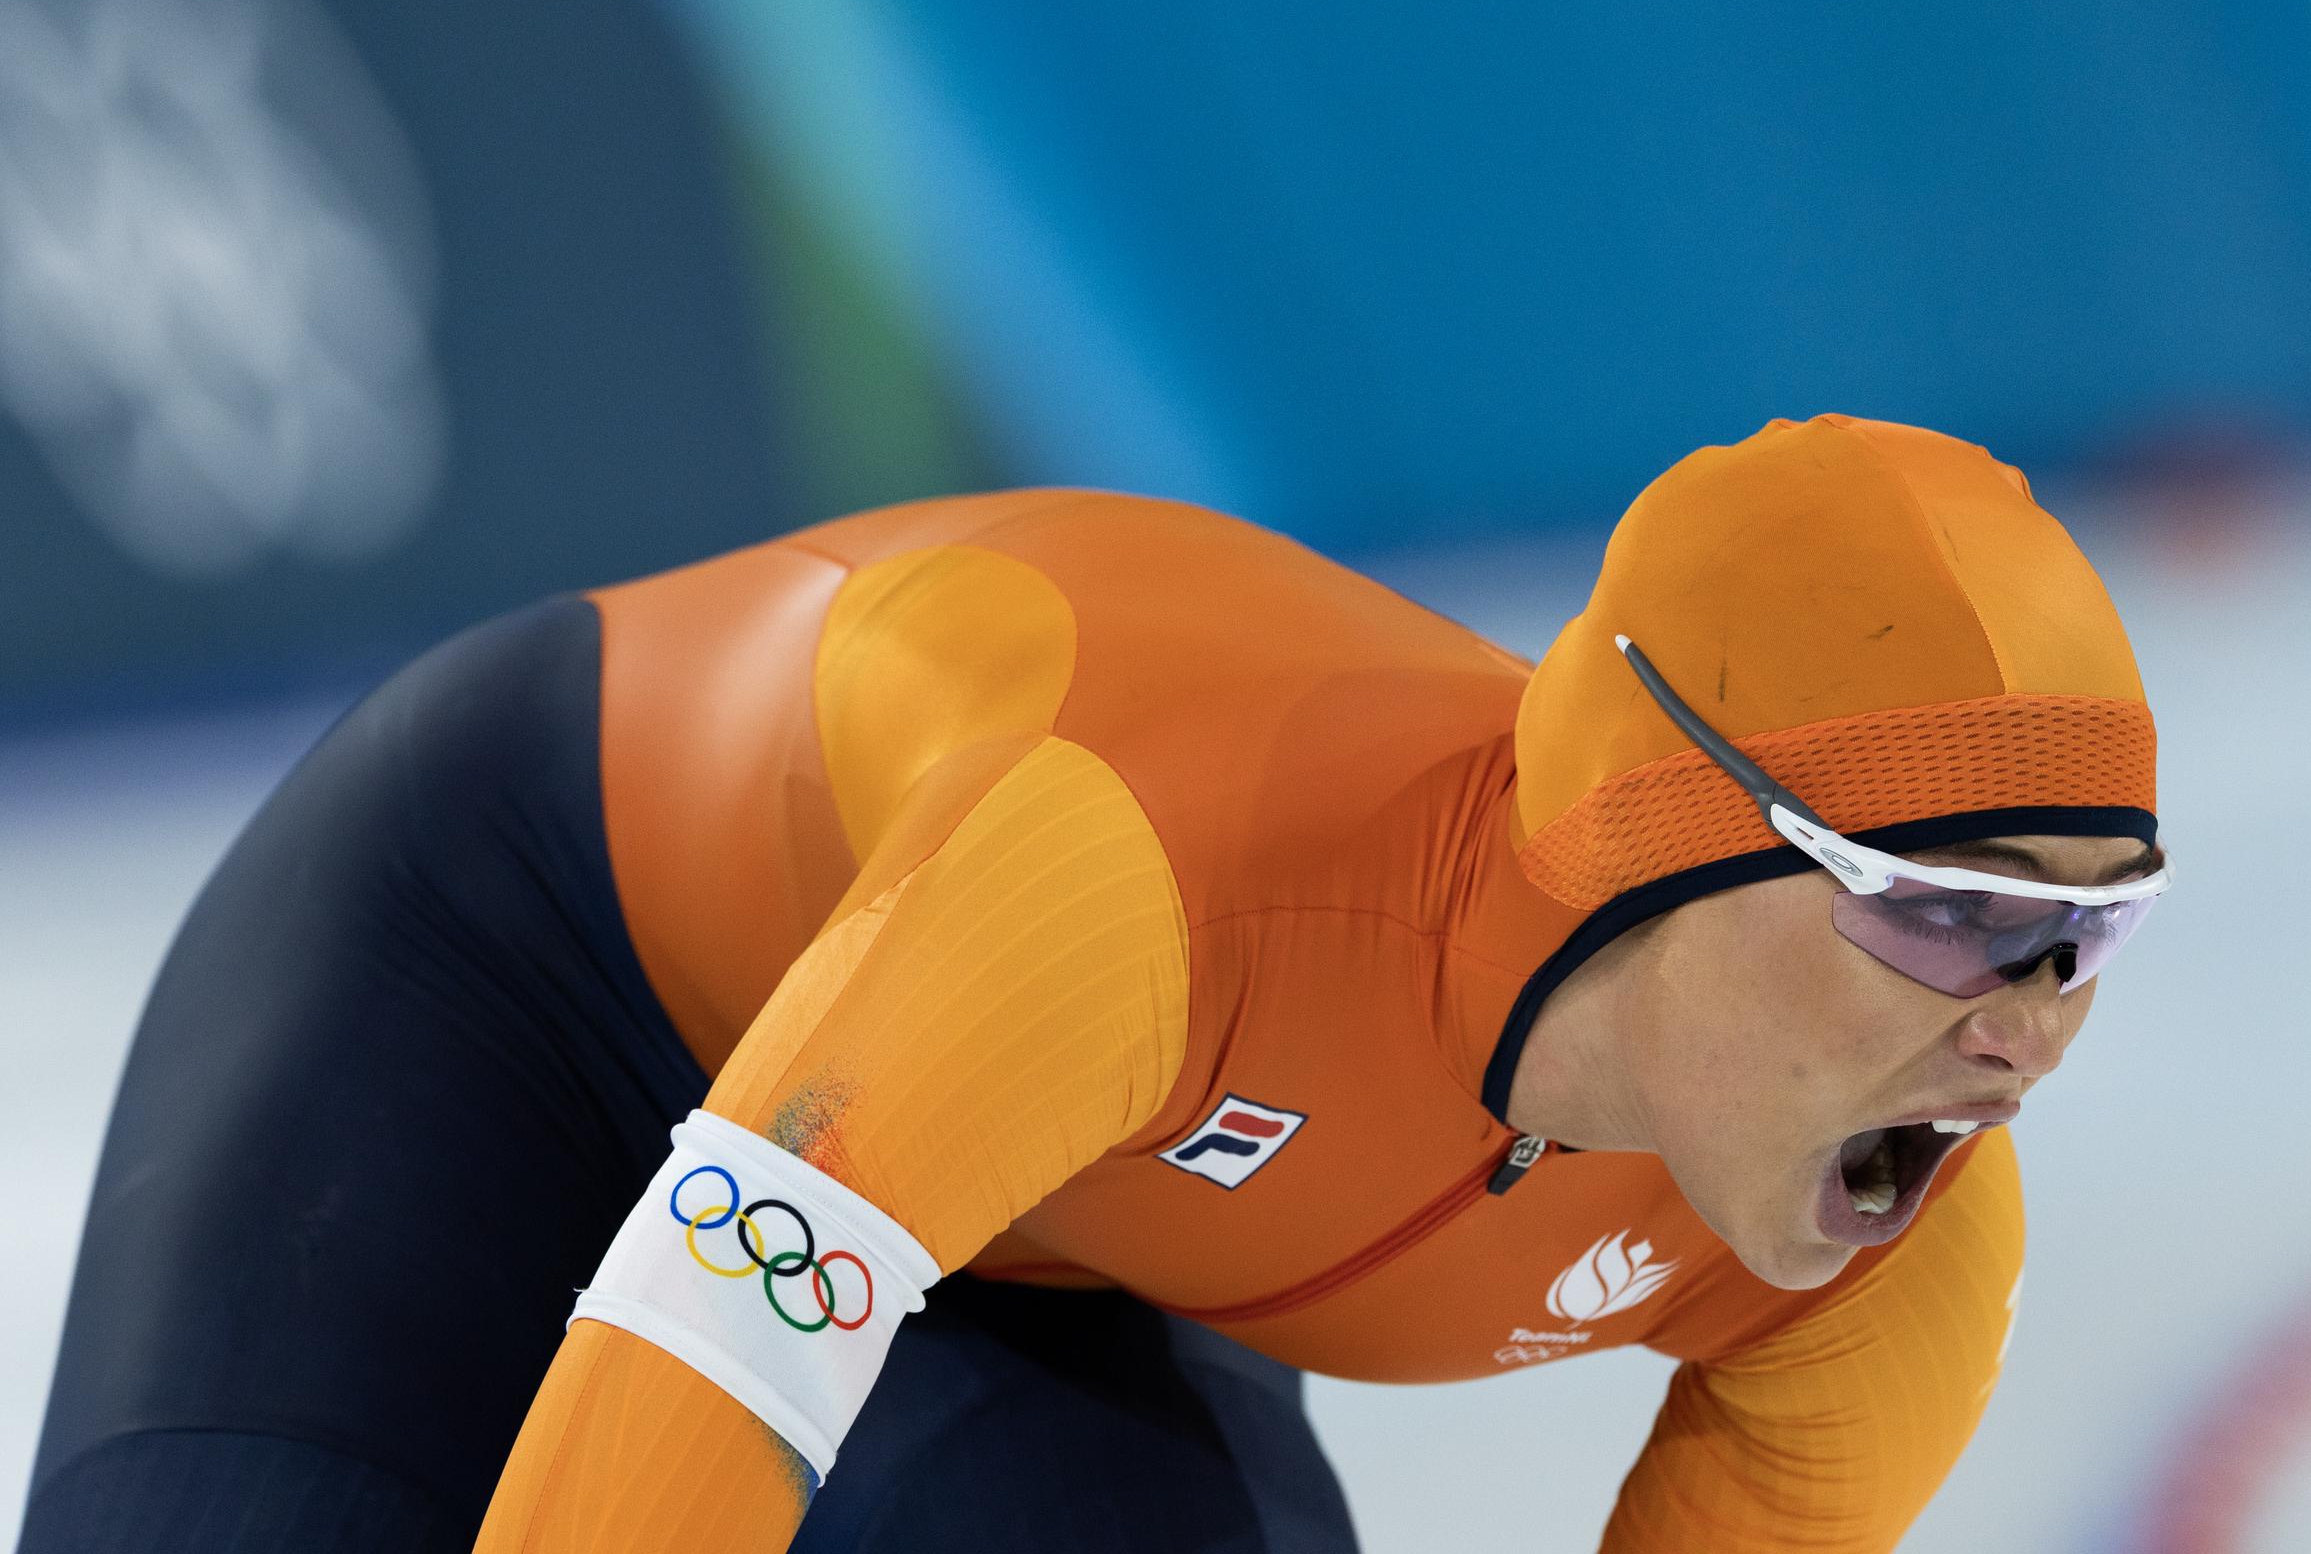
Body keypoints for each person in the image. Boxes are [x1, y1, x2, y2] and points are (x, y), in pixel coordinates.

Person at [21, 414, 2170, 1554]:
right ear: (1666, 835)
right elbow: (687, 1390)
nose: (2036, 1018)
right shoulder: (1151, 880)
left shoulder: (1890, 1263)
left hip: (1034, 1232)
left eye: (2089, 927)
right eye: (1951, 906)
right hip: (506, 969)